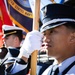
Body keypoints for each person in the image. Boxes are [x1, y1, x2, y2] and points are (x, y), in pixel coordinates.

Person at [4, 1, 75, 75]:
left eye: (52, 32)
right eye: (44, 33)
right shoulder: (47, 71)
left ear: (73, 37)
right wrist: (23, 55)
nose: (45, 39)